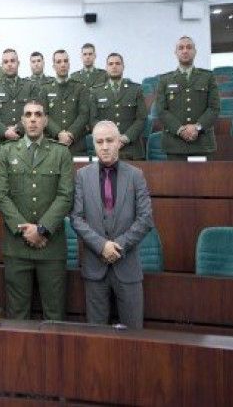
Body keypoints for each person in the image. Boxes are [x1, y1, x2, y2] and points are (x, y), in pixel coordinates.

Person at [0, 100, 74, 320]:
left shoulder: (61, 153)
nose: (33, 119)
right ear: (21, 120)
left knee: (55, 316)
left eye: (38, 114)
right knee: (17, 316)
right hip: (17, 247)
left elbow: (66, 196)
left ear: (46, 120)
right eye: (28, 115)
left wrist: (42, 229)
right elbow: (1, 195)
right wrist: (26, 230)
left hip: (52, 247)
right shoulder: (7, 151)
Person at [70, 121, 154, 328]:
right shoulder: (81, 176)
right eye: (99, 142)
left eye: (110, 141)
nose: (105, 146)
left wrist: (117, 246)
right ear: (94, 145)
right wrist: (101, 246)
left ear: (119, 142)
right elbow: (76, 218)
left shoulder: (136, 175)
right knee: (96, 336)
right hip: (94, 268)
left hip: (127, 266)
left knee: (134, 333)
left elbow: (146, 219)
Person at [155, 36, 219, 160]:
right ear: (176, 52)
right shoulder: (165, 80)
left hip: (202, 143)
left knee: (204, 180)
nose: (185, 51)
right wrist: (180, 130)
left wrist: (197, 127)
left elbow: (214, 108)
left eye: (189, 47)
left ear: (195, 51)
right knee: (175, 180)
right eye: (181, 48)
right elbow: (161, 110)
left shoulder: (208, 77)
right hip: (175, 144)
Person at [89, 53, 147, 160]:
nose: (114, 66)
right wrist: (110, 138)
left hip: (131, 149)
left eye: (117, 63)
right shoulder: (96, 92)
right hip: (106, 149)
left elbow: (142, 118)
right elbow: (93, 120)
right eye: (111, 64)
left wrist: (126, 137)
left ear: (123, 66)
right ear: (106, 68)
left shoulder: (135, 89)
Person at [0, 48, 38, 157]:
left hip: (25, 143)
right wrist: (5, 131)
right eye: (6, 62)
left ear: (18, 63)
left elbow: (33, 113)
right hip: (1, 144)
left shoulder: (30, 86)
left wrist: (17, 129)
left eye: (12, 61)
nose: (9, 64)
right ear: (2, 65)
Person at [40, 50, 90, 155]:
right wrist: (59, 133)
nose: (63, 64)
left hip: (76, 145)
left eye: (65, 61)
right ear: (53, 66)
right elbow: (43, 115)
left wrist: (70, 134)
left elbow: (84, 115)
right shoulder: (45, 89)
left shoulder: (80, 88)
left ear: (69, 64)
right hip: (52, 143)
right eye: (58, 62)